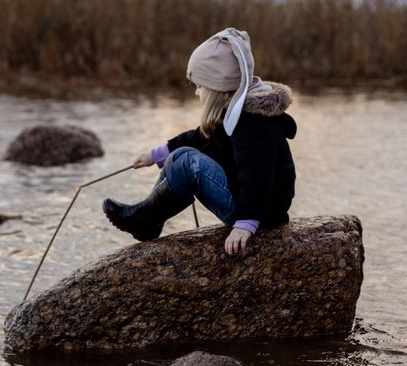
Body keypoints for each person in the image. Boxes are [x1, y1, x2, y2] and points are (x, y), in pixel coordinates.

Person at [102, 27, 297, 255]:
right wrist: (155, 155)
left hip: (262, 213)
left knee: (189, 164)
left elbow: (258, 176)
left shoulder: (254, 123)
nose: (196, 92)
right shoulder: (235, 110)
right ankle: (149, 219)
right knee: (180, 155)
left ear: (218, 88)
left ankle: (145, 219)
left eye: (200, 86)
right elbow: (198, 137)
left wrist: (246, 223)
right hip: (248, 202)